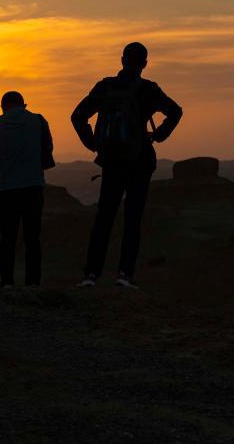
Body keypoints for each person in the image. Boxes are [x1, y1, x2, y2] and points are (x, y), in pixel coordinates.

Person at [72, 42, 182, 289]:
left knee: (104, 217)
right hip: (140, 159)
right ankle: (124, 275)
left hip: (111, 161)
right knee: (133, 218)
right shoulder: (149, 89)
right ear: (144, 63)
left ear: (122, 60)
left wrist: (94, 144)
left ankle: (91, 275)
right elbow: (175, 111)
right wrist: (159, 135)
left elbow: (77, 116)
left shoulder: (105, 86)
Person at [0, 91, 53, 289]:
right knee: (32, 238)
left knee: (8, 237)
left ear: (3, 106)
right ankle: (33, 283)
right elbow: (47, 151)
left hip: (8, 189)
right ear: (23, 104)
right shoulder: (39, 121)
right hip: (33, 186)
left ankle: (7, 282)